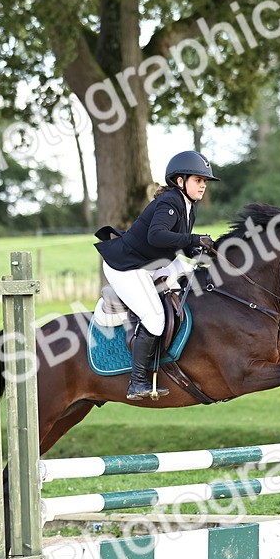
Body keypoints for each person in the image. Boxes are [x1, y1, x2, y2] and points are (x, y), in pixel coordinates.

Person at [94, 150, 219, 400]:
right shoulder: (170, 202)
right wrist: (194, 239)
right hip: (127, 266)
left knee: (196, 277)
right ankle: (137, 382)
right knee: (154, 318)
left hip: (153, 262)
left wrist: (203, 252)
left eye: (205, 181)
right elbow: (157, 236)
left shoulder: (189, 207)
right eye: (198, 180)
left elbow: (178, 244)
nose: (203, 185)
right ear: (180, 181)